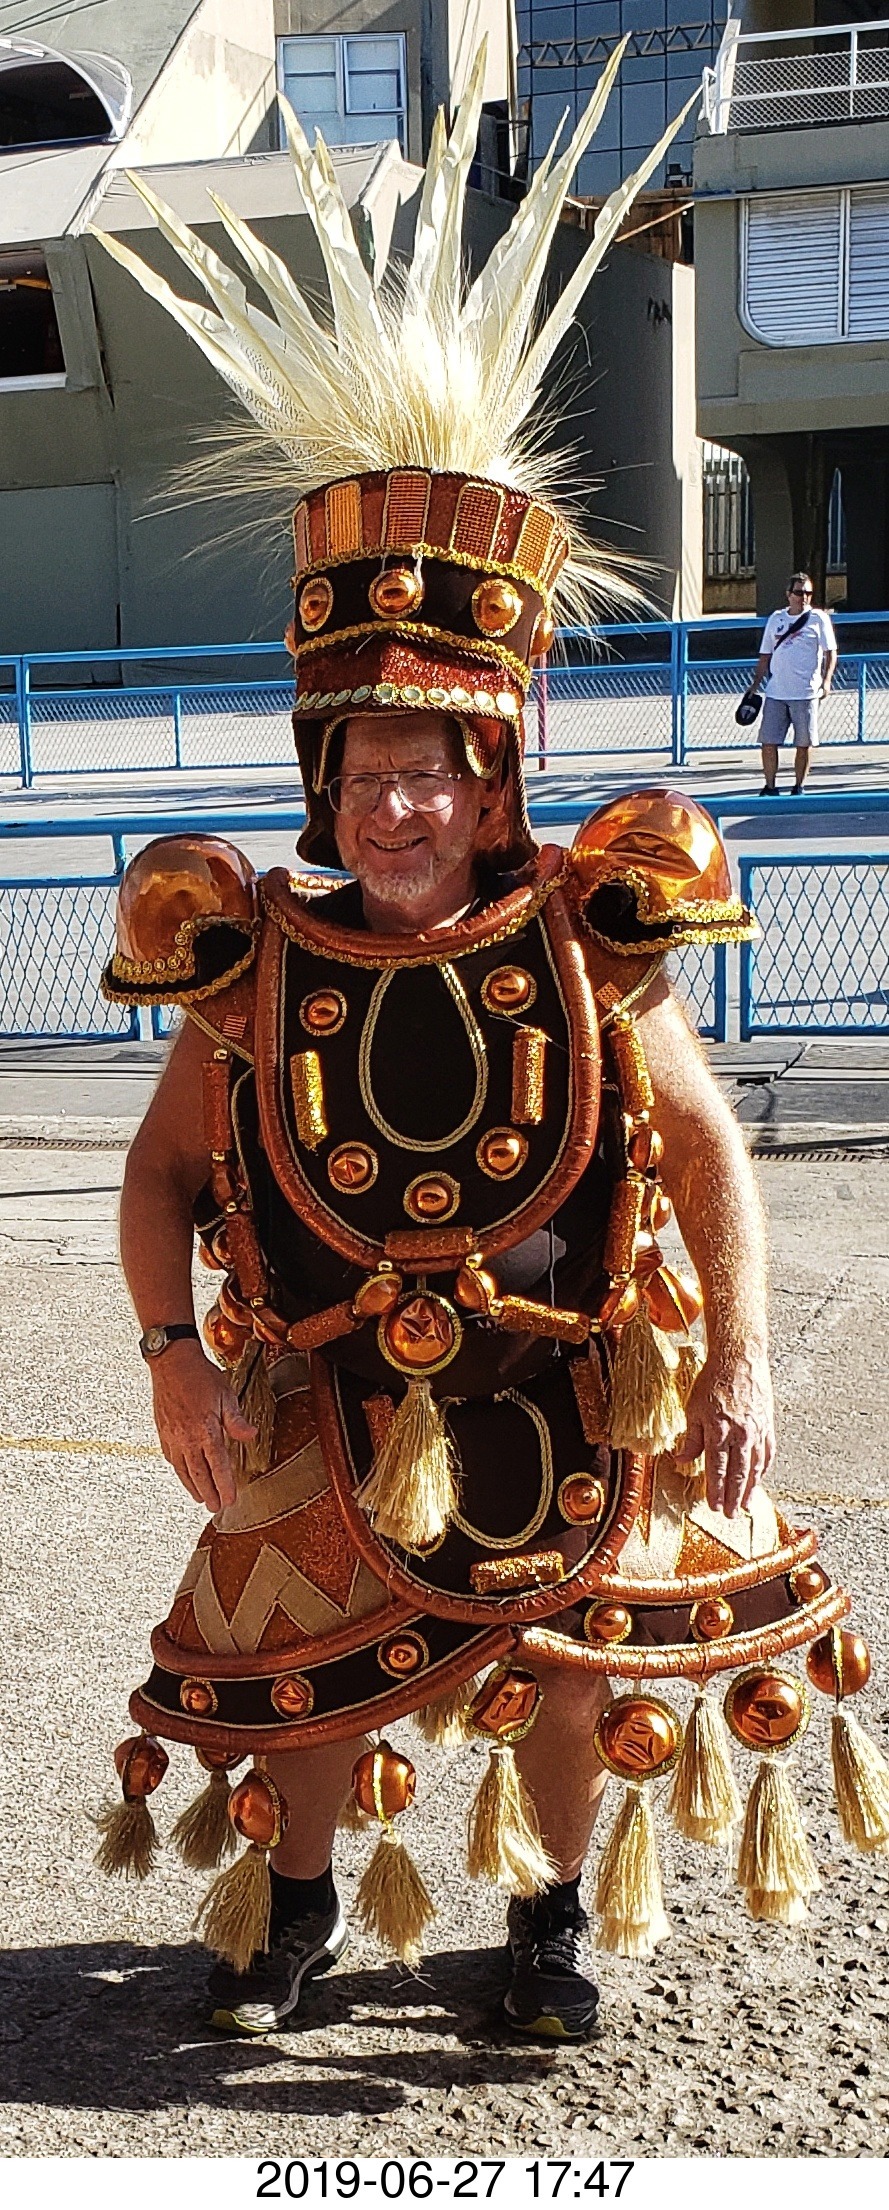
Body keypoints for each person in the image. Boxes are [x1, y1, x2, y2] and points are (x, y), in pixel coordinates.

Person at [92, 49, 884, 2049]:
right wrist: (174, 1355)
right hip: (318, 1366)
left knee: (560, 1656)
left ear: (492, 776)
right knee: (302, 1670)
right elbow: (164, 1174)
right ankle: (289, 1913)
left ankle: (542, 1922)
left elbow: (700, 1149)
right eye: (367, 769)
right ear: (325, 777)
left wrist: (741, 1363)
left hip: (564, 1367)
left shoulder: (593, 934)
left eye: (434, 770)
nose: (400, 805)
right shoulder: (247, 957)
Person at [750, 573, 837, 796]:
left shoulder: (818, 619)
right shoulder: (776, 619)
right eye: (799, 592)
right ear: (789, 594)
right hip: (777, 692)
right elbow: (765, 655)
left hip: (806, 692)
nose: (803, 597)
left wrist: (826, 681)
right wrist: (755, 685)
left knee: (804, 743)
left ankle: (799, 786)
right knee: (769, 742)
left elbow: (830, 652)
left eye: (808, 593)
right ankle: (770, 786)